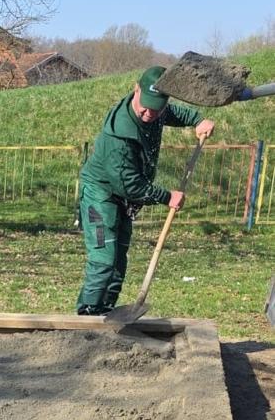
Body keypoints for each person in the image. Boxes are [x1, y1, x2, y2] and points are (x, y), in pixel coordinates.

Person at [76, 66, 215, 314]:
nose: (149, 113)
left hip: (123, 198)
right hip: (101, 193)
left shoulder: (157, 109)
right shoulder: (120, 134)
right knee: (104, 258)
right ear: (136, 89)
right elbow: (129, 184)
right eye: (145, 107)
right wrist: (167, 197)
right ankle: (87, 314)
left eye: (156, 108)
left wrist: (198, 120)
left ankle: (106, 312)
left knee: (119, 258)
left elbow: (173, 113)